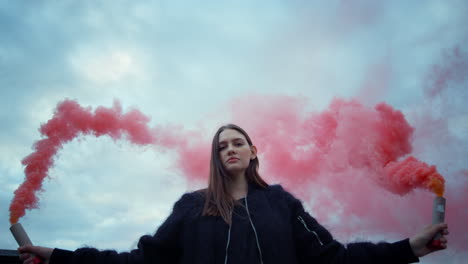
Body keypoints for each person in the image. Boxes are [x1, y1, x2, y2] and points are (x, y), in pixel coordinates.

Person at [19, 124, 449, 264]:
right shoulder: (191, 207)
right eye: (221, 145)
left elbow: (334, 259)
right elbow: (140, 262)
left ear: (253, 151)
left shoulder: (283, 203)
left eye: (237, 142)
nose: (229, 149)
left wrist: (409, 248)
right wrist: (57, 256)